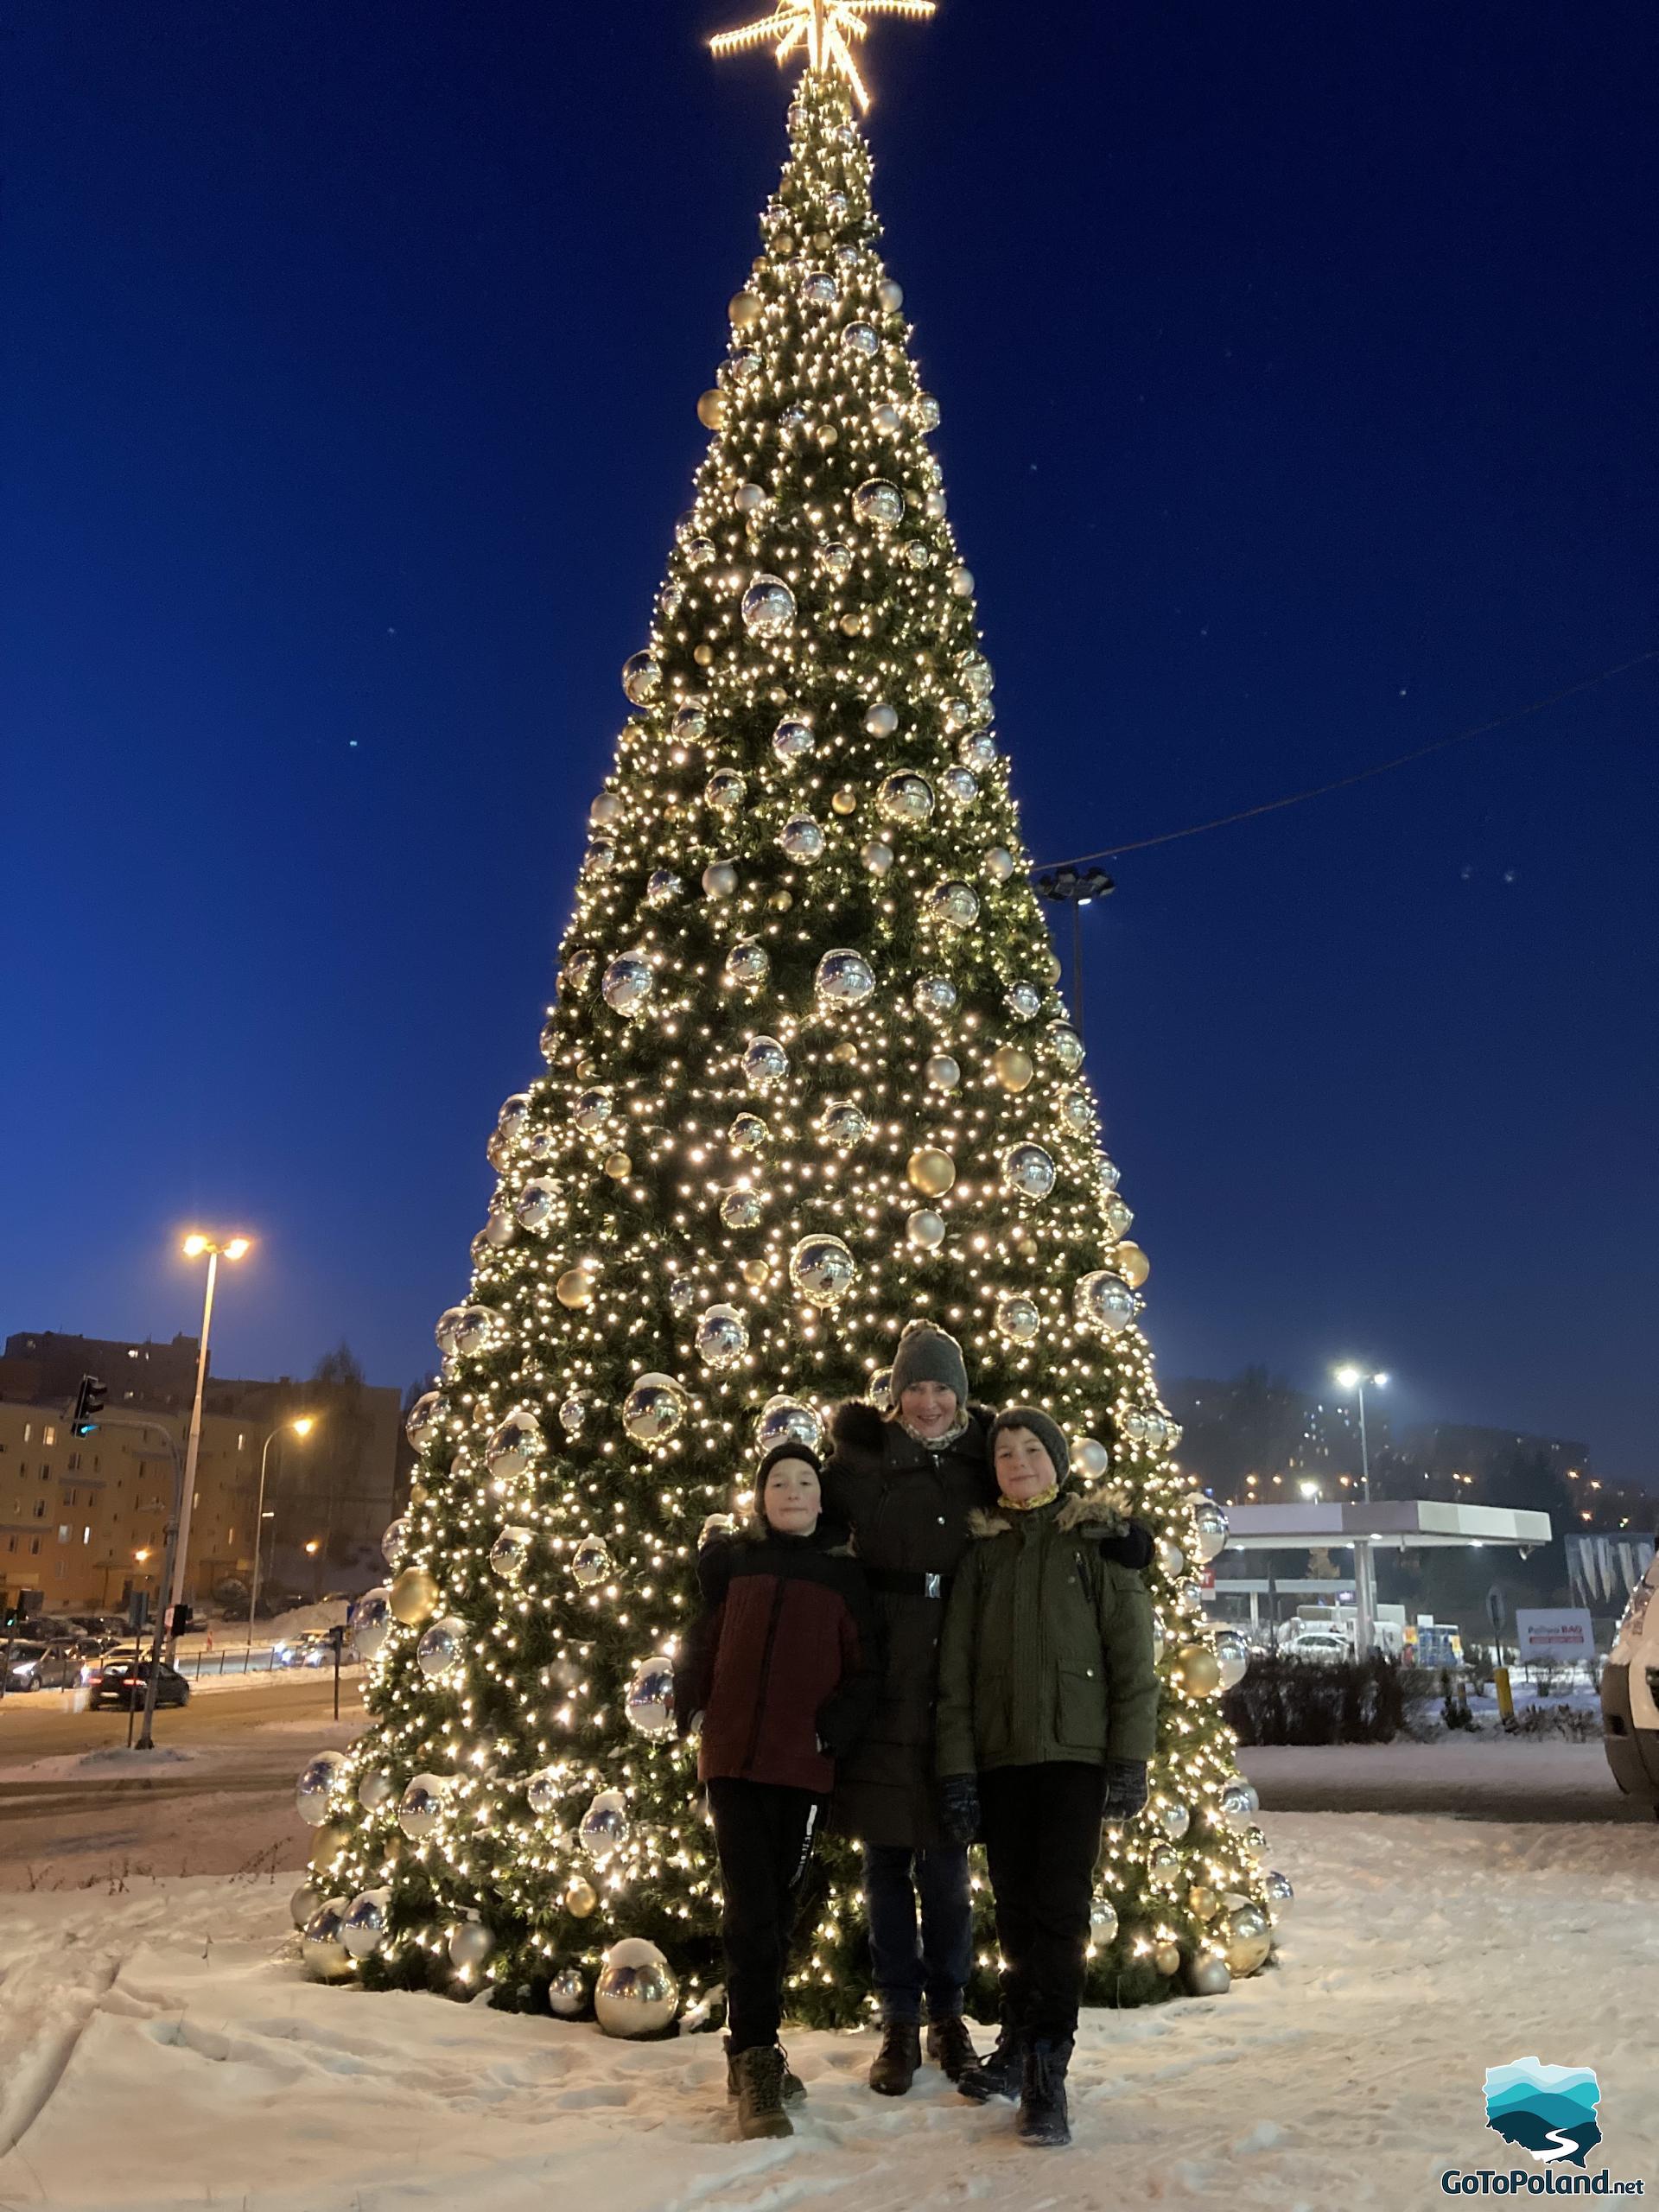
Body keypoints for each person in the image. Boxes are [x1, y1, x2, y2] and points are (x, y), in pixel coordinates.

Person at [823, 1320, 1153, 2097]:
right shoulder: (862, 1462)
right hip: (890, 1676)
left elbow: (1055, 1500)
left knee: (949, 1862)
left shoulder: (987, 1459)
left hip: (972, 1682)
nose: (930, 1402)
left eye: (943, 1388)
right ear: (895, 1393)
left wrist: (1132, 1534)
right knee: (885, 1858)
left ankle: (956, 2019)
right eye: (916, 1387)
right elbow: (798, 1513)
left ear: (962, 1396)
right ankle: (901, 2023)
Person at [933, 1406, 1160, 2149]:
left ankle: (1045, 2072)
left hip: (1073, 1759)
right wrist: (959, 1770)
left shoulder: (1095, 1543)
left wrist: (1129, 1759)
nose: (1018, 1461)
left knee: (1060, 1914)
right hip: (1001, 1760)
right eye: (1005, 1452)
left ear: (1057, 1460)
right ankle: (1018, 2042)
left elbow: (1133, 1663)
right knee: (1017, 1915)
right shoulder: (983, 1553)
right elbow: (956, 1678)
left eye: (1032, 1449)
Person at [675, 1442, 880, 2141]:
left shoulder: (845, 1579)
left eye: (804, 1481)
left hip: (800, 1770)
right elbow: (701, 1642)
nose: (792, 1491)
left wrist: (832, 1732)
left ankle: (749, 2048)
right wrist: (693, 1705)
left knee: (775, 1908)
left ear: (822, 1498)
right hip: (731, 1762)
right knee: (749, 1907)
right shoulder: (736, 1565)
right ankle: (758, 2056)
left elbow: (865, 1671)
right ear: (761, 1497)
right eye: (778, 1482)